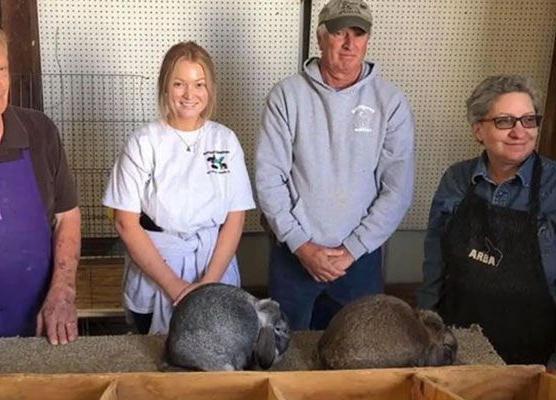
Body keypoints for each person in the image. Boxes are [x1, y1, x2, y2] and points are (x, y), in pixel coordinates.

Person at [255, 0, 415, 330]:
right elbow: (269, 177)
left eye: (358, 34)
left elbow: (397, 189)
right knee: (286, 355)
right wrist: (302, 245)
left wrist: (352, 250)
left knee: (359, 357)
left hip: (360, 259)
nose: (349, 44)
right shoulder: (286, 96)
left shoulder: (391, 102)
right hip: (295, 255)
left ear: (367, 40)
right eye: (339, 32)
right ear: (320, 36)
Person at [103, 41, 255, 334]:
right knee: (154, 361)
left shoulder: (224, 141)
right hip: (157, 266)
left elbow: (236, 217)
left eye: (199, 84)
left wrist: (208, 284)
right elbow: (125, 222)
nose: (190, 95)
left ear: (209, 89)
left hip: (214, 264)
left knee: (219, 352)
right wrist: (175, 287)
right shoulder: (144, 142)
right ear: (165, 87)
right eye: (179, 84)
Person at [0, 16, 81, 344]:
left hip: (37, 332)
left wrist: (63, 292)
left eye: (1, 69)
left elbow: (67, 216)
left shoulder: (40, 132)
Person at [417, 75, 556, 365]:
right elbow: (435, 263)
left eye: (528, 120)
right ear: (478, 129)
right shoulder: (456, 179)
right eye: (505, 121)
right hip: (460, 343)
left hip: (535, 354)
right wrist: (426, 327)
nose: (520, 132)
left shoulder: (553, 187)